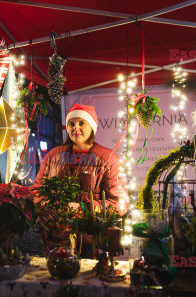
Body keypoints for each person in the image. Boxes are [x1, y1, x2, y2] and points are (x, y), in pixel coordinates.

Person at [31, 103, 127, 254]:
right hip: (56, 240)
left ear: (92, 127)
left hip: (91, 242)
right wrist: (46, 204)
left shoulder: (108, 159)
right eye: (71, 123)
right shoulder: (53, 155)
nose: (75, 128)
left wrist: (84, 208)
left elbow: (119, 204)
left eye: (81, 123)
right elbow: (36, 190)